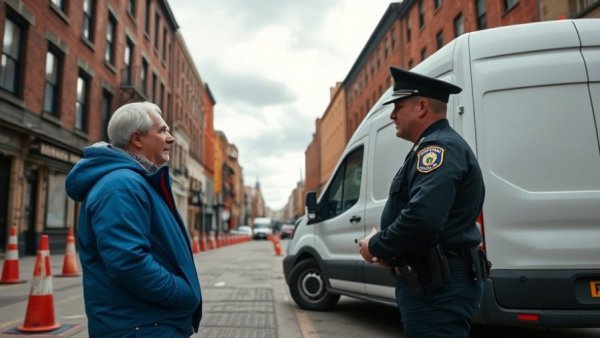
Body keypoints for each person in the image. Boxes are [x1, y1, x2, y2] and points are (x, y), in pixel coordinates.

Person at [358, 67, 486, 338]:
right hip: (433, 284)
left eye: (399, 106)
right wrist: (392, 248)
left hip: (438, 288)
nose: (392, 115)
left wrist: (376, 245)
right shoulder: (434, 146)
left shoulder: (438, 149)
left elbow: (422, 219)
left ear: (422, 107)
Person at [65, 102, 202, 337]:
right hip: (140, 328)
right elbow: (129, 261)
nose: (171, 138)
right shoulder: (121, 186)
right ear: (137, 139)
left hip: (150, 323)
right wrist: (182, 294)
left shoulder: (138, 182)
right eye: (162, 131)